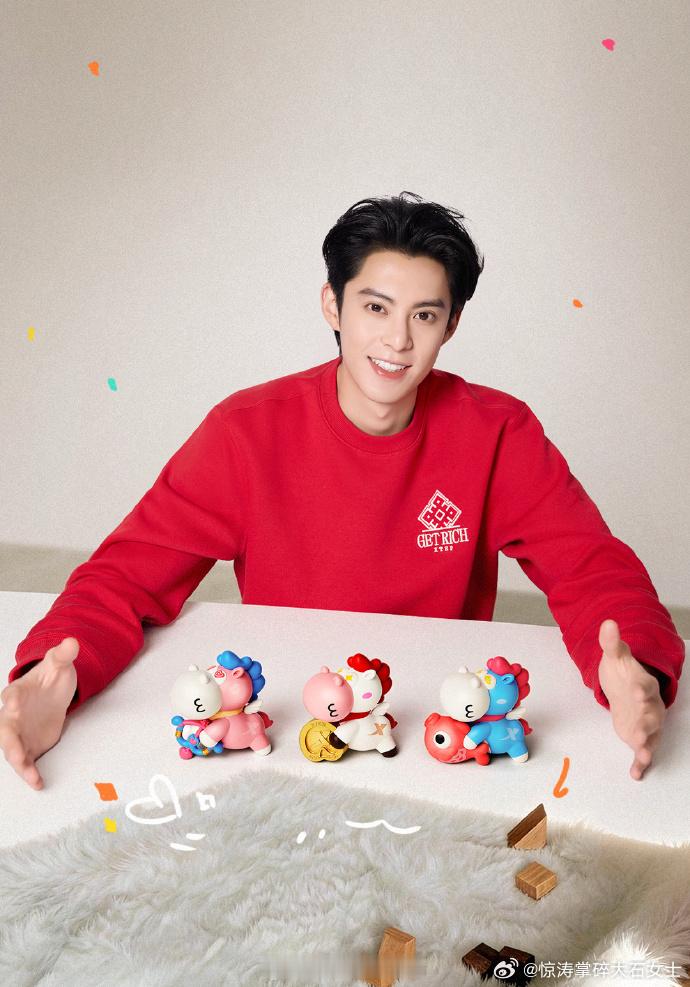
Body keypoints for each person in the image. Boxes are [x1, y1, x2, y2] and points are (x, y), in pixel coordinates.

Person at [1, 192, 684, 791]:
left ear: (451, 325)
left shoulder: (497, 431)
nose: (397, 339)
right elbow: (125, 574)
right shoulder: (247, 431)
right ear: (333, 303)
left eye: (424, 315)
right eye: (376, 307)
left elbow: (591, 566)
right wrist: (52, 676)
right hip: (285, 720)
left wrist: (636, 672)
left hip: (432, 724)